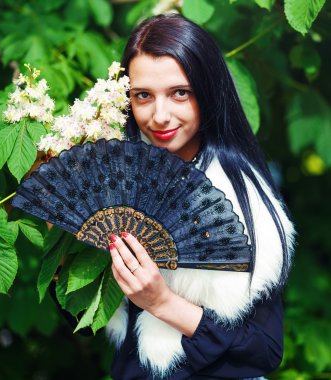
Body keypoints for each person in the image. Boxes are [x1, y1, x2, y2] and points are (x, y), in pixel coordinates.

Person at [104, 13, 295, 380]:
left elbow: (265, 350)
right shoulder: (117, 180)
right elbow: (91, 320)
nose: (160, 116)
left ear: (207, 92)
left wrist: (162, 302)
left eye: (180, 93)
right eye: (143, 95)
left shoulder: (243, 196)